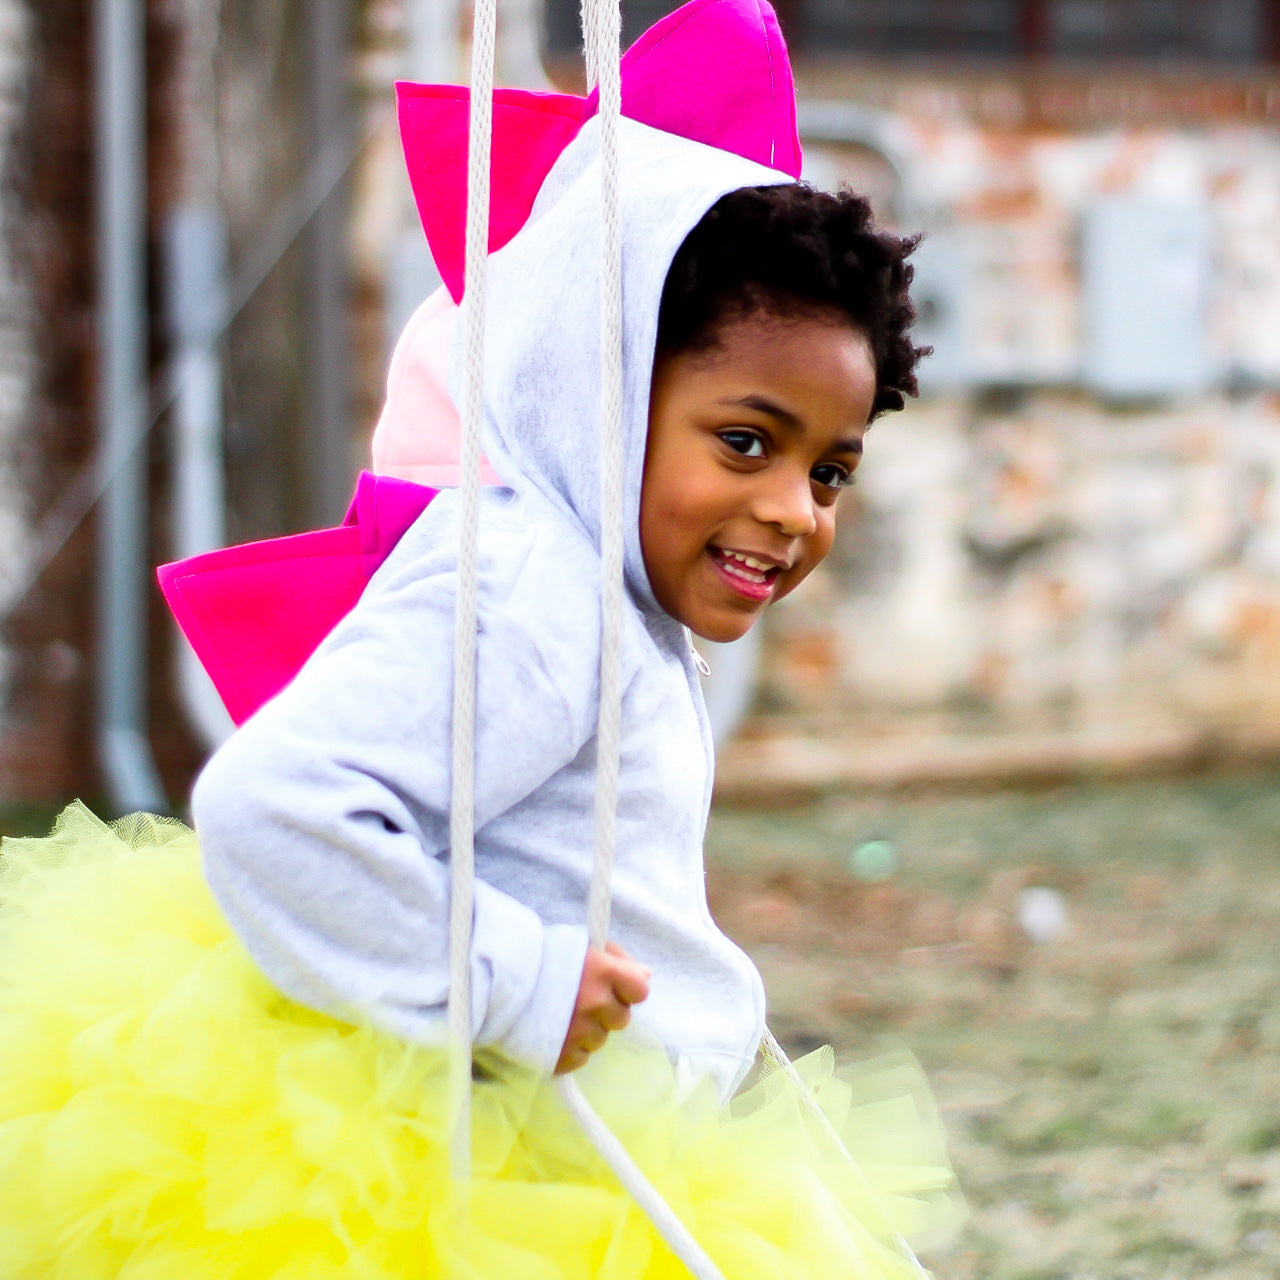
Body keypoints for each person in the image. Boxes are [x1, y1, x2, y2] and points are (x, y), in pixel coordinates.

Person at [0, 3, 960, 1274]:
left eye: (829, 470)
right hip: (482, 1173)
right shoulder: (530, 588)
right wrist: (517, 979)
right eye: (745, 440)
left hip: (591, 1146)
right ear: (597, 390)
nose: (792, 509)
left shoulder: (604, 592)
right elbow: (275, 803)